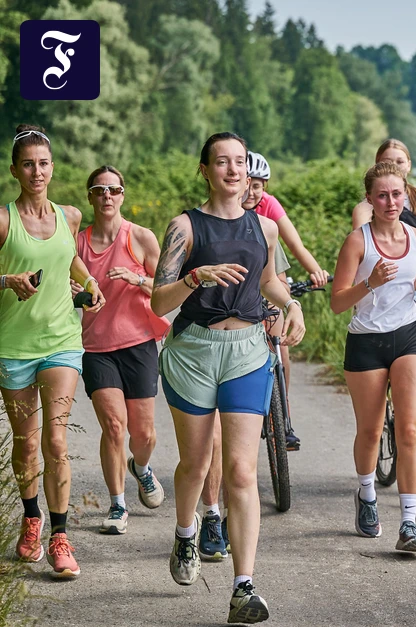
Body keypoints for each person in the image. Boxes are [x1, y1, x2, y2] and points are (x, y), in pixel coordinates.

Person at [151, 131, 305, 624]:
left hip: (247, 352)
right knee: (195, 466)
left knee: (242, 472)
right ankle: (184, 533)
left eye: (240, 162)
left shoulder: (266, 229)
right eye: (222, 162)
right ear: (205, 169)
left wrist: (292, 304)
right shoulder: (185, 227)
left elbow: (267, 281)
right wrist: (196, 277)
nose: (233, 170)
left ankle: (243, 586)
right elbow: (158, 303)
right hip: (194, 349)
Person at [0, 124, 105, 579]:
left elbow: (69, 258)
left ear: (52, 167)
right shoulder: (3, 220)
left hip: (62, 341)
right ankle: (31, 520)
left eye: (43, 163)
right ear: (14, 170)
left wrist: (89, 279)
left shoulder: (71, 215)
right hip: (13, 346)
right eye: (28, 164)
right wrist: (9, 280)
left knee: (56, 440)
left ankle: (60, 536)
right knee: (26, 446)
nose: (36, 171)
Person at [331, 161, 416, 552]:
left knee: (409, 429)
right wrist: (368, 283)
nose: (391, 201)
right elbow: (338, 304)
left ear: (406, 194)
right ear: (370, 200)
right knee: (371, 430)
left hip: (409, 335)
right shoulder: (359, 242)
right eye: (382, 195)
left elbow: (415, 284)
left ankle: (409, 524)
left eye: (397, 193)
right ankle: (367, 494)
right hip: (367, 341)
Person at [75, 165, 170, 535]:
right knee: (114, 426)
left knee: (142, 434)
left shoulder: (141, 238)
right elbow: (67, 286)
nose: (107, 196)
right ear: (90, 197)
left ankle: (142, 468)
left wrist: (138, 279)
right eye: (99, 190)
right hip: (97, 348)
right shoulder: (78, 244)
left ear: (123, 194)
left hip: (139, 344)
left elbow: (166, 290)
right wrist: (76, 293)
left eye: (114, 190)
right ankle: (117, 505)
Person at [243, 150, 328, 449]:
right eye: (247, 183)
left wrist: (316, 271)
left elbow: (295, 244)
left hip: (270, 279)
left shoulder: (268, 206)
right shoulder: (230, 210)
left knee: (280, 345)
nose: (251, 191)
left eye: (258, 185)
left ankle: (283, 416)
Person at [350, 139, 416, 345]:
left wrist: (405, 269)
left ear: (408, 164)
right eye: (387, 161)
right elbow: (365, 254)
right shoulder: (364, 208)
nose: (394, 166)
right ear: (376, 165)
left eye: (399, 161)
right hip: (379, 281)